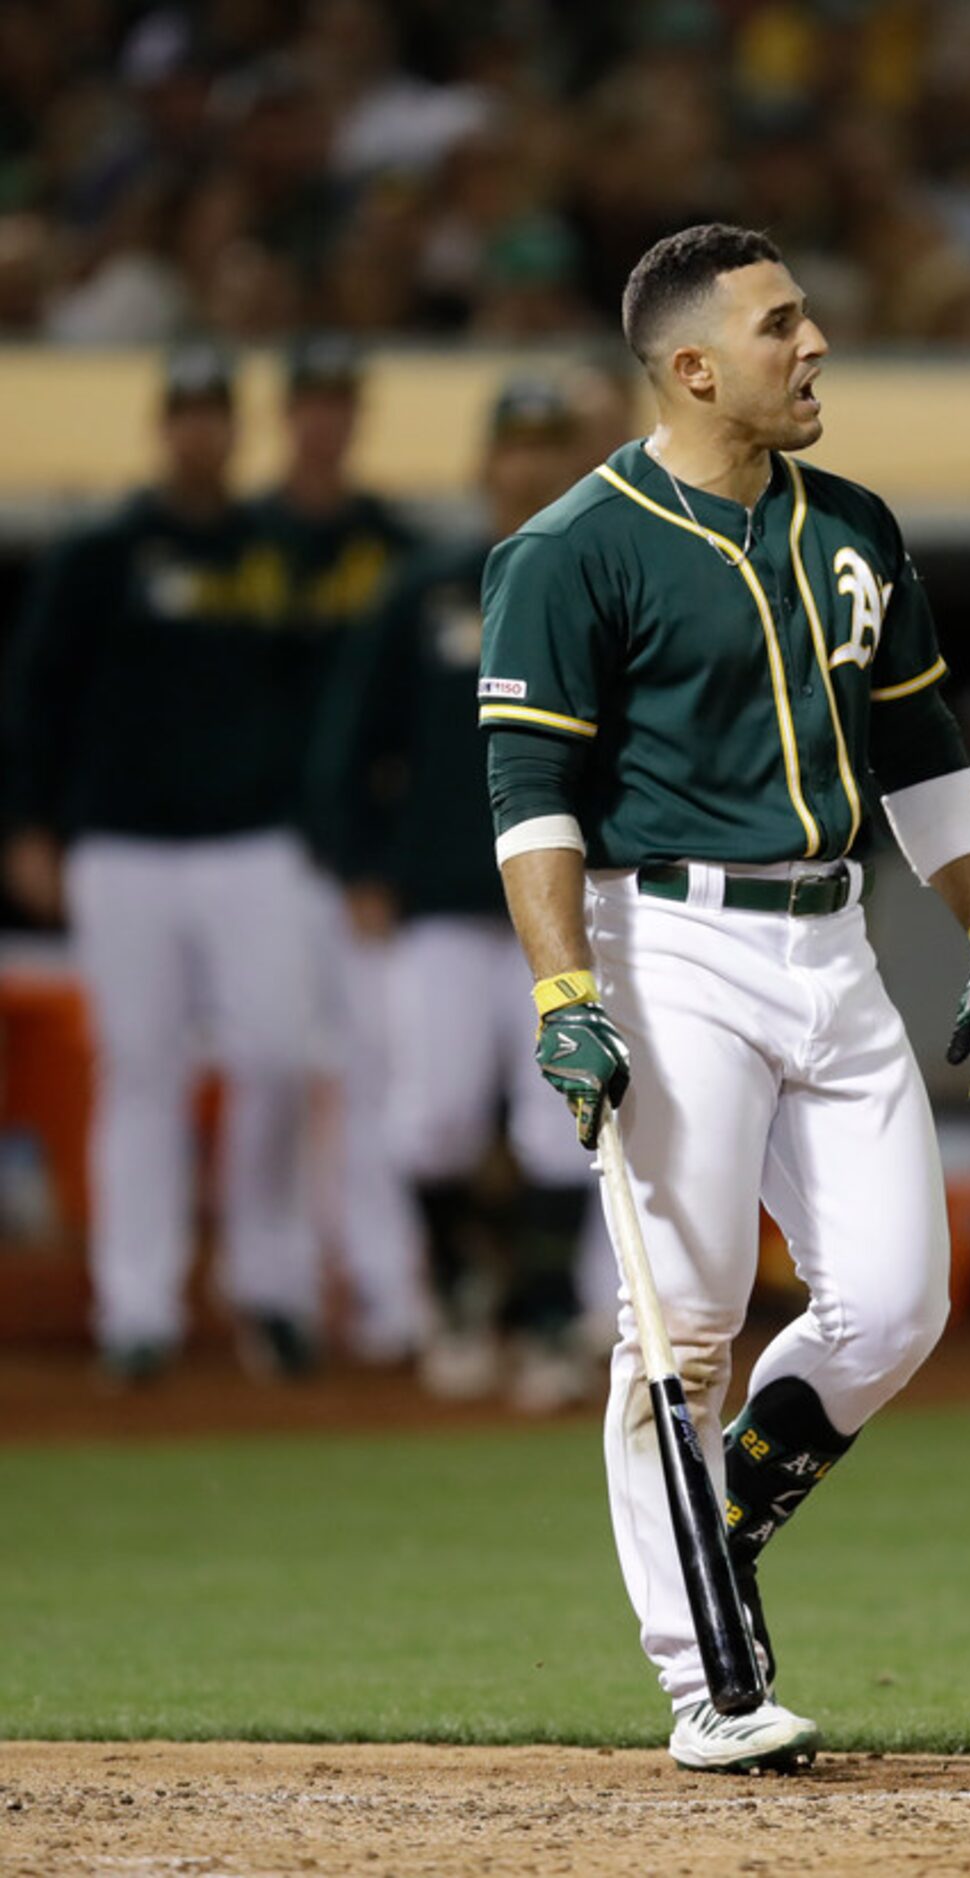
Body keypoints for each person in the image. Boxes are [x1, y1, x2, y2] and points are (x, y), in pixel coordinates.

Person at [479, 223, 970, 1774]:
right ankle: (705, 1676)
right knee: (682, 1325)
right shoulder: (568, 546)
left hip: (833, 935)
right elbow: (529, 795)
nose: (816, 346)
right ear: (692, 364)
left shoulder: (851, 525)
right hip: (663, 944)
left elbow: (922, 754)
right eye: (782, 323)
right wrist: (562, 990)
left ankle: (711, 1517)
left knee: (896, 1304)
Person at [1, 345, 321, 1381]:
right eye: (185, 413)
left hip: (256, 842)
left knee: (276, 1058)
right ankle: (137, 1309)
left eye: (214, 412)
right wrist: (31, 826)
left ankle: (267, 1287)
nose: (200, 430)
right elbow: (33, 698)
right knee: (140, 1072)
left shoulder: (276, 550)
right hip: (123, 843)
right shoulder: (100, 553)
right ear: (163, 426)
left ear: (237, 426)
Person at [310, 379, 602, 1412]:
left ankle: (545, 1313)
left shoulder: (605, 579)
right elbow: (353, 742)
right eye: (512, 447)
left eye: (545, 445)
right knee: (430, 1118)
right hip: (439, 895)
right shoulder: (429, 586)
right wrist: (358, 866)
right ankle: (464, 1293)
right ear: (484, 464)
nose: (525, 466)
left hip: (571, 906)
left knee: (561, 1123)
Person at [255, 334, 428, 1367]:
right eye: (311, 401)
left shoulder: (395, 548)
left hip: (361, 852)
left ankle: (381, 1295)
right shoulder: (238, 542)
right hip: (250, 843)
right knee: (272, 1072)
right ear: (289, 414)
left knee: (372, 1076)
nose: (326, 419)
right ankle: (274, 1291)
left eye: (340, 402)